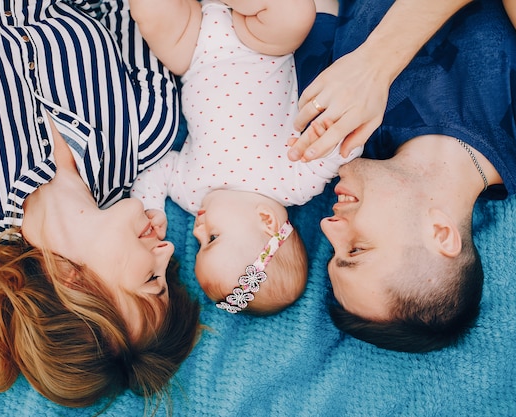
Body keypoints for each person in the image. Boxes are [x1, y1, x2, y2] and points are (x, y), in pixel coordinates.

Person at [0, 0, 200, 408]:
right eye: (168, 276)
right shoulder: (148, 126)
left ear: (73, 285)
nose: (169, 250)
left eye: (151, 279)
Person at [290, 0, 516, 352]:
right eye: (356, 248)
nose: (326, 228)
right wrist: (375, 64)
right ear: (440, 234)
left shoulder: (335, 127)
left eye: (333, 252)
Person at [129, 0, 360, 315]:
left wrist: (151, 205)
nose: (196, 231)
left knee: (151, 13)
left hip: (193, 52)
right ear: (266, 220)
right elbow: (346, 146)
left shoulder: (192, 194)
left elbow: (159, 169)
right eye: (212, 238)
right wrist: (325, 134)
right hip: (261, 45)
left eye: (199, 245)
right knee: (293, 15)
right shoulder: (293, 183)